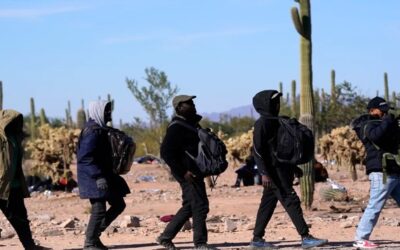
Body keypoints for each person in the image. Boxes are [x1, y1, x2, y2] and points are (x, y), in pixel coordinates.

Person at [250, 90, 328, 249]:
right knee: (290, 199)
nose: (277, 105)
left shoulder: (276, 121)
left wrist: (294, 167)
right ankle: (305, 237)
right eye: (274, 102)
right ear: (265, 104)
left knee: (268, 204)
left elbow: (281, 147)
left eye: (278, 102)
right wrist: (264, 173)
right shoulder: (262, 123)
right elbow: (257, 151)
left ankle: (257, 240)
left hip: (282, 169)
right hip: (273, 172)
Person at [157, 95, 217, 250]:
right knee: (200, 206)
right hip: (188, 173)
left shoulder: (191, 124)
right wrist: (183, 172)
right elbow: (166, 152)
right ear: (179, 108)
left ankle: (165, 237)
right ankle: (200, 243)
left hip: (195, 172)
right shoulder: (177, 127)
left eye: (192, 102)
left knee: (191, 205)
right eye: (188, 103)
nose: (193, 105)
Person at [77, 101, 130, 250]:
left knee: (119, 204)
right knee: (99, 209)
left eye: (109, 111)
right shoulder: (93, 132)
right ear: (97, 112)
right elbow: (85, 157)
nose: (109, 114)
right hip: (94, 177)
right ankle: (89, 242)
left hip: (104, 175)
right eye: (106, 111)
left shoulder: (100, 129)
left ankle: (94, 236)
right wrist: (98, 176)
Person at [351, 96, 400, 249]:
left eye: (387, 110)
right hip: (381, 172)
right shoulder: (366, 125)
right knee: (375, 205)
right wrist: (388, 121)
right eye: (382, 110)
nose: (385, 113)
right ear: (372, 110)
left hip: (394, 171)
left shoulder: (385, 124)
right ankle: (360, 238)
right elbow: (376, 136)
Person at [0, 110, 50, 250]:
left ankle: (29, 246)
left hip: (12, 186)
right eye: (13, 121)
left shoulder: (15, 138)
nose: (17, 125)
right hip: (1, 184)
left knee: (21, 218)